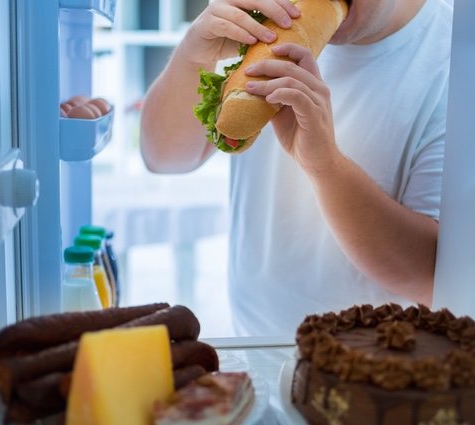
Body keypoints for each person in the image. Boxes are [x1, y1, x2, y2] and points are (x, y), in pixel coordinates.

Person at [140, 0, 453, 335]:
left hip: (374, 366)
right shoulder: (269, 18)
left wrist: (324, 165)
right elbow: (165, 157)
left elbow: (427, 277)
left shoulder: (454, 61)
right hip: (253, 346)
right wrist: (193, 56)